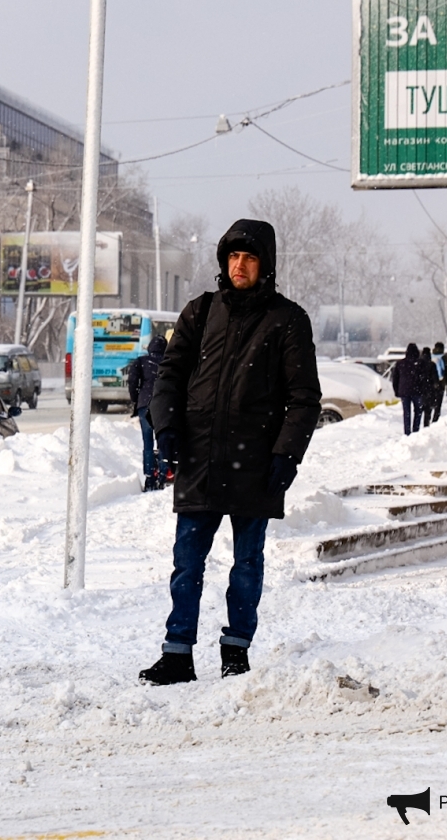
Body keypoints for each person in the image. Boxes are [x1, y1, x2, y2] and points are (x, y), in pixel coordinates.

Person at [140, 219, 321, 685]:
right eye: (233, 257)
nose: (239, 266)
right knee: (186, 563)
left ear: (266, 265)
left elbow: (303, 398)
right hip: (200, 459)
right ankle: (177, 653)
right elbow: (169, 379)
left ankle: (236, 650)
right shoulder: (200, 312)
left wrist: (286, 455)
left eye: (250, 258)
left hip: (255, 464)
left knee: (246, 564)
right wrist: (167, 428)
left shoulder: (287, 320)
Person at [127, 334, 171, 491]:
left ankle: (149, 478)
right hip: (164, 405)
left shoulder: (141, 362)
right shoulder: (169, 362)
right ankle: (162, 476)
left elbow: (132, 382)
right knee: (163, 441)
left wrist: (136, 399)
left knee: (147, 442)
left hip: (144, 404)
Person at [390, 343, 424, 435]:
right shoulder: (420, 363)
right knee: (418, 410)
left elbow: (395, 379)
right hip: (417, 391)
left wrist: (396, 391)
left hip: (404, 391)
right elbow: (424, 378)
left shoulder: (400, 363)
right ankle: (416, 430)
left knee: (407, 412)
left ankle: (407, 432)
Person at [418, 346, 440, 428]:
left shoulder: (418, 364)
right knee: (428, 410)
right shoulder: (432, 365)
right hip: (429, 391)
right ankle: (426, 426)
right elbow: (435, 378)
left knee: (419, 410)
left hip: (420, 390)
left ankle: (416, 427)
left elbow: (416, 377)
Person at [431, 341, 447, 422]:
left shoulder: (430, 357)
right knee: (438, 404)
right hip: (441, 384)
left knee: (430, 403)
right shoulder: (445, 358)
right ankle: (435, 420)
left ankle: (427, 420)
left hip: (431, 384)